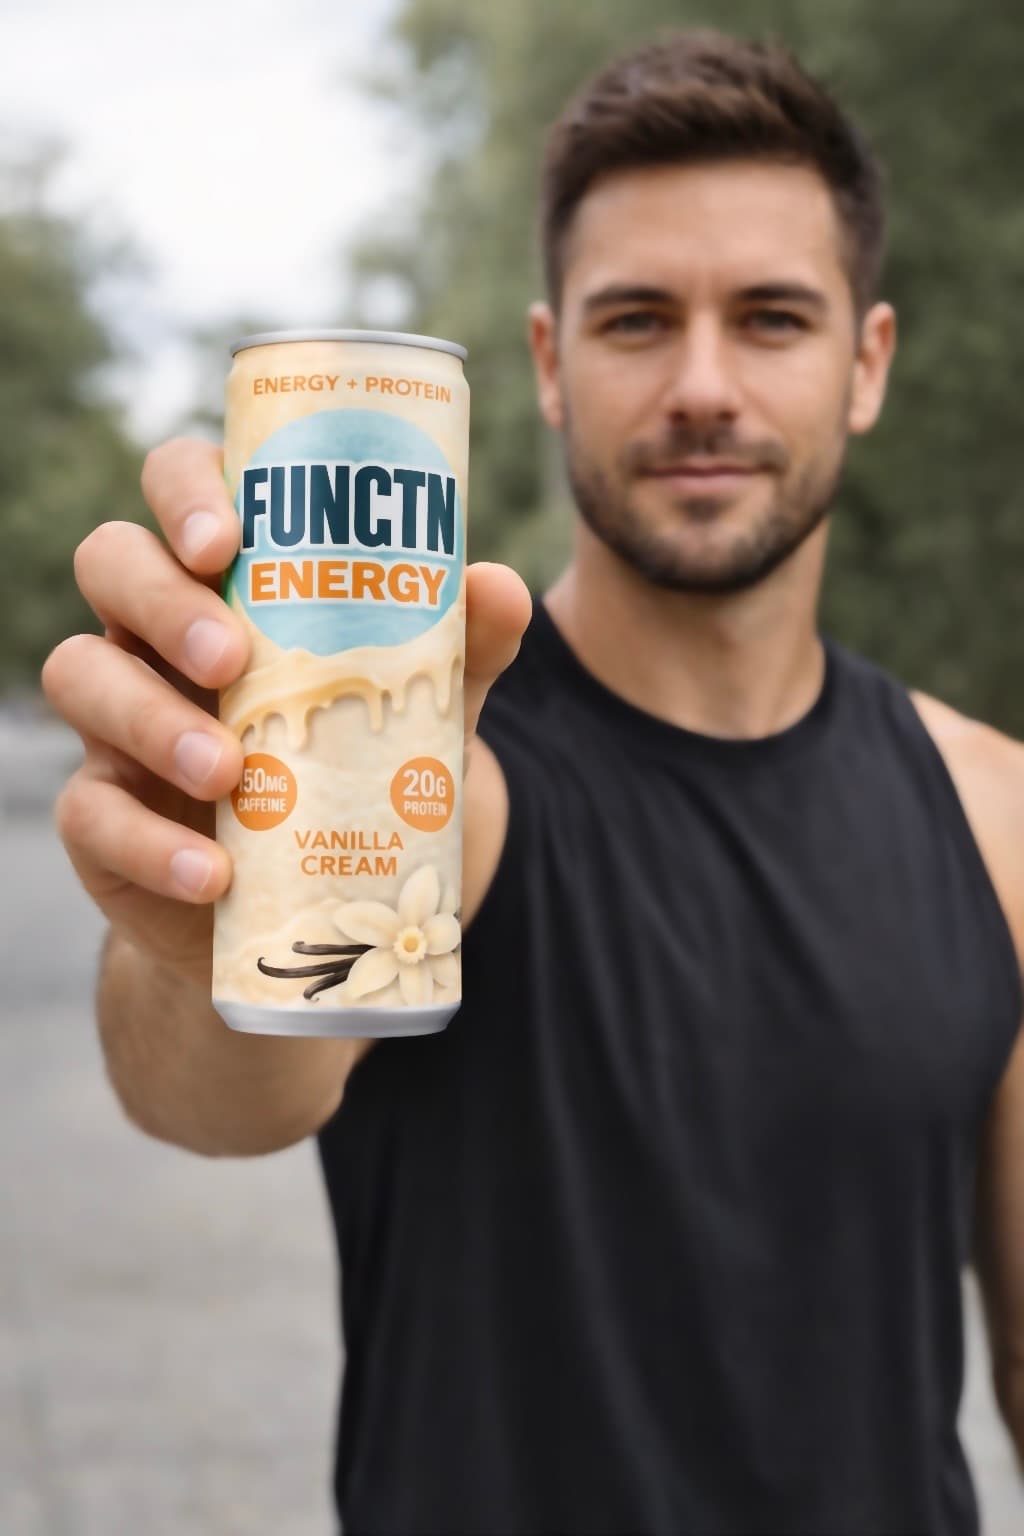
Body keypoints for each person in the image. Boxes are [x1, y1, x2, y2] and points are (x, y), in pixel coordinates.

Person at [42, 28, 1024, 1536]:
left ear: (868, 362)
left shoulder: (998, 816)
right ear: (553, 364)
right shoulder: (446, 784)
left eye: (771, 318)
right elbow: (209, 1093)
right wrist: (198, 920)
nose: (704, 386)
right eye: (637, 321)